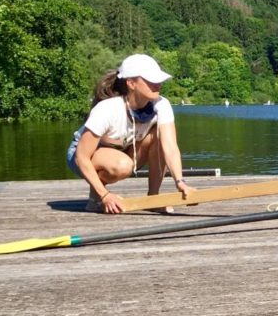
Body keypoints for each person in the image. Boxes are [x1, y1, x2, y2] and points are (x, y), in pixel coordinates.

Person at [66, 54, 194, 213]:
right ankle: (96, 198)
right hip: (79, 155)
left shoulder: (162, 105)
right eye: (150, 80)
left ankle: (152, 198)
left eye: (158, 79)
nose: (158, 84)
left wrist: (180, 182)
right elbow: (81, 157)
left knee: (158, 136)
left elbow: (170, 147)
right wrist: (105, 195)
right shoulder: (108, 109)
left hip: (123, 150)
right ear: (131, 83)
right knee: (122, 166)